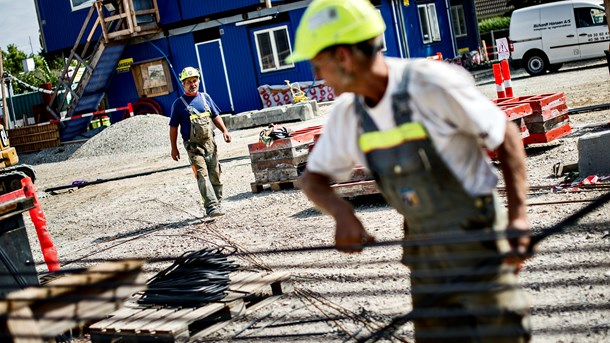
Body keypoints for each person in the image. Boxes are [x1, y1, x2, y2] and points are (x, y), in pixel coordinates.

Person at [287, 0, 532, 341]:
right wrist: (341, 212)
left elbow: (505, 134)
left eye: (318, 63)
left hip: (478, 241)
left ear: (343, 56)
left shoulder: (430, 84)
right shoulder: (349, 114)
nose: (316, 75)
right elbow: (313, 179)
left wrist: (518, 215)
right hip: (423, 249)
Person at [169, 67, 231, 218]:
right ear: (182, 84)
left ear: (199, 81)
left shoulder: (205, 98)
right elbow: (173, 128)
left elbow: (215, 116)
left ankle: (217, 202)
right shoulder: (178, 104)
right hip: (193, 147)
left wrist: (224, 131)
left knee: (215, 174)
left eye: (195, 80)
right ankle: (211, 207)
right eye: (188, 82)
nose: (192, 84)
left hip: (210, 143)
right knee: (202, 176)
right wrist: (174, 148)